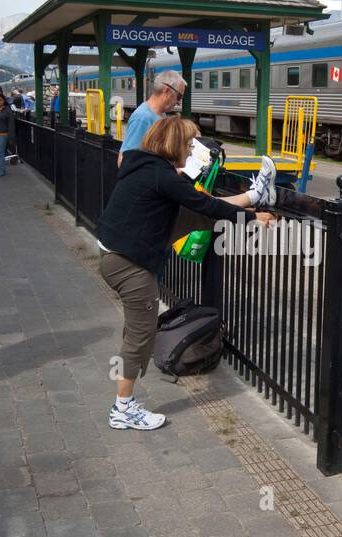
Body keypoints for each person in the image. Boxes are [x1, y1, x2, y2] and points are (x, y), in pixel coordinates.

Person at [95, 116, 278, 430]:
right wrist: (253, 220)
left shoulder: (146, 165)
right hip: (129, 265)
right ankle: (122, 408)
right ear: (175, 144)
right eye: (191, 144)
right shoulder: (162, 177)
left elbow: (198, 204)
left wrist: (245, 209)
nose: (194, 149)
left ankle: (254, 195)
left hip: (117, 252)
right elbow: (207, 205)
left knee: (196, 214)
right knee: (140, 337)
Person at [119, 70, 185, 166]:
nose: (179, 103)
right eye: (179, 97)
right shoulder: (142, 118)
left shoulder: (161, 115)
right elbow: (123, 161)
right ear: (166, 91)